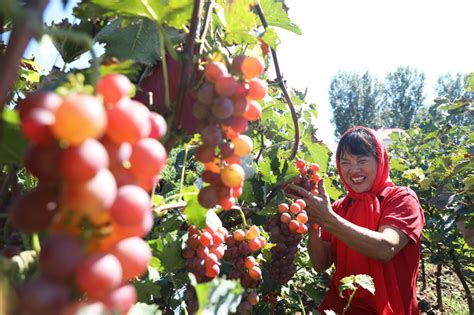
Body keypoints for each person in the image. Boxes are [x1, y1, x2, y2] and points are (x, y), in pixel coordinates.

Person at [287, 126, 425, 315]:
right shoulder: (340, 207)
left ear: (380, 161)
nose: (353, 170)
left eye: (362, 160)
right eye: (345, 162)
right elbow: (321, 264)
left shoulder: (401, 198)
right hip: (342, 309)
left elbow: (386, 248)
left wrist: (328, 220)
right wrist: (314, 224)